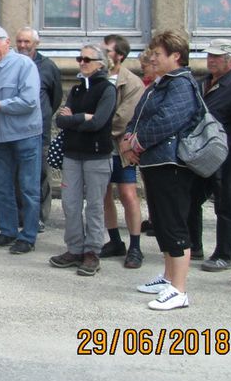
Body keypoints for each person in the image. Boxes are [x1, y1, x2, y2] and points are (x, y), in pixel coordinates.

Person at [121, 29, 202, 311]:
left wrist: (136, 143)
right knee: (161, 221)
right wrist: (128, 139)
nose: (152, 58)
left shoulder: (182, 84)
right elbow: (139, 115)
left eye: (158, 54)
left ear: (175, 56)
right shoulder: (160, 83)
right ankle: (168, 277)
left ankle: (179, 290)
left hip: (172, 165)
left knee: (174, 223)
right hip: (155, 161)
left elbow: (169, 120)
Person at [49, 44, 116, 277]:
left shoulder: (107, 89)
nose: (82, 63)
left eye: (87, 59)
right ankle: (75, 248)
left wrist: (75, 119)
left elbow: (99, 122)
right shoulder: (77, 91)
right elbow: (60, 121)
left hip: (97, 155)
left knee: (95, 206)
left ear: (100, 63)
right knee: (70, 203)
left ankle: (92, 252)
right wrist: (82, 118)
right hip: (72, 154)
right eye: (79, 59)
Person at [189, 39, 231, 271]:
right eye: (209, 56)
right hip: (200, 154)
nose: (211, 60)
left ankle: (225, 254)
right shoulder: (203, 83)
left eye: (217, 57)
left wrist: (228, 146)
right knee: (191, 198)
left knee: (225, 205)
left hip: (225, 155)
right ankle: (194, 246)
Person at [0, 25, 42, 254]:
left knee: (28, 187)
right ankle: (8, 231)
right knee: (3, 187)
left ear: (8, 43)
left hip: (26, 134)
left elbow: (29, 101)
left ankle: (28, 235)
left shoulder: (25, 65)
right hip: (0, 135)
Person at [100, 34, 147, 269]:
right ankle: (115, 241)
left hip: (120, 147)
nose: (102, 55)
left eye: (107, 51)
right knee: (103, 194)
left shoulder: (132, 82)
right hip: (98, 147)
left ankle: (135, 246)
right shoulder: (95, 77)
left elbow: (122, 120)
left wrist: (92, 125)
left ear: (119, 55)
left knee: (128, 194)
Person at [15, 27, 62, 232]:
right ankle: (20, 215)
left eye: (27, 42)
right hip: (15, 129)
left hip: (39, 130)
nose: (23, 46)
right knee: (17, 174)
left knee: (40, 174)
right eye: (20, 41)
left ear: (36, 43)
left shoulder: (48, 66)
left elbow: (56, 97)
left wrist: (42, 115)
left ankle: (40, 216)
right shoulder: (13, 65)